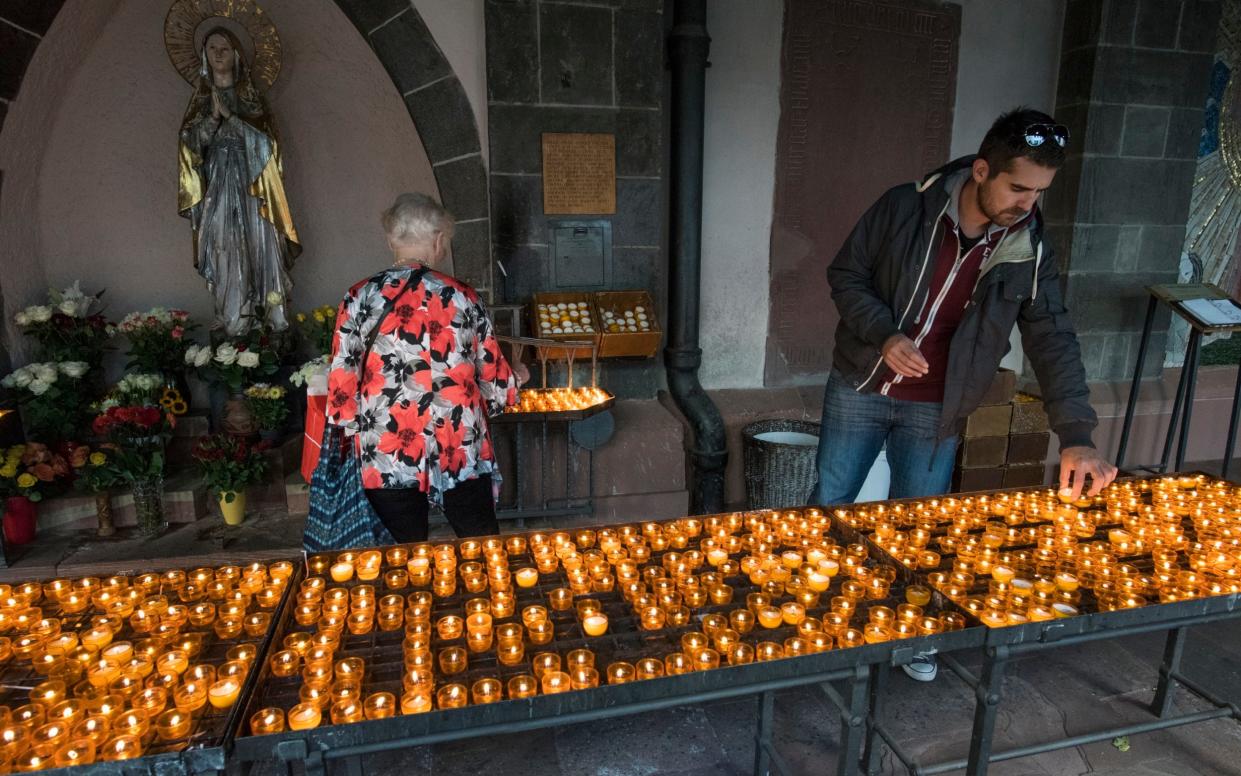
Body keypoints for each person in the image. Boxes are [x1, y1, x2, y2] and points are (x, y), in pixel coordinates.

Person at [814, 109, 1118, 679]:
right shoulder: (906, 206)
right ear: (981, 170)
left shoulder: (1028, 247)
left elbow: (1052, 336)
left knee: (919, 524)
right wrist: (885, 334)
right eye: (1018, 186)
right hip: (862, 384)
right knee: (831, 506)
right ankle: (820, 621)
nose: (1027, 204)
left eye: (1040, 192)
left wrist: (1077, 435)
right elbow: (845, 274)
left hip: (939, 406)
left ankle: (911, 633)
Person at [325, 193, 528, 542]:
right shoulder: (462, 296)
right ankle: (488, 592)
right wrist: (520, 377)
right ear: (438, 241)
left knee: (400, 555)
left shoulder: (358, 299)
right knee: (481, 546)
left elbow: (342, 395)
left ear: (391, 239)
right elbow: (495, 383)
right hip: (457, 445)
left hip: (388, 448)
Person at [178, 27, 301, 336]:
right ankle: (234, 320)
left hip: (254, 191)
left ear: (237, 55)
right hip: (218, 187)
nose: (218, 53)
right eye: (211, 48)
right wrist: (213, 119)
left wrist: (232, 118)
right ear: (204, 57)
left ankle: (269, 319)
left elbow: (267, 146)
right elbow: (189, 149)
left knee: (260, 246)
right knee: (224, 246)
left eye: (225, 47)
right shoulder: (199, 105)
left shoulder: (253, 102)